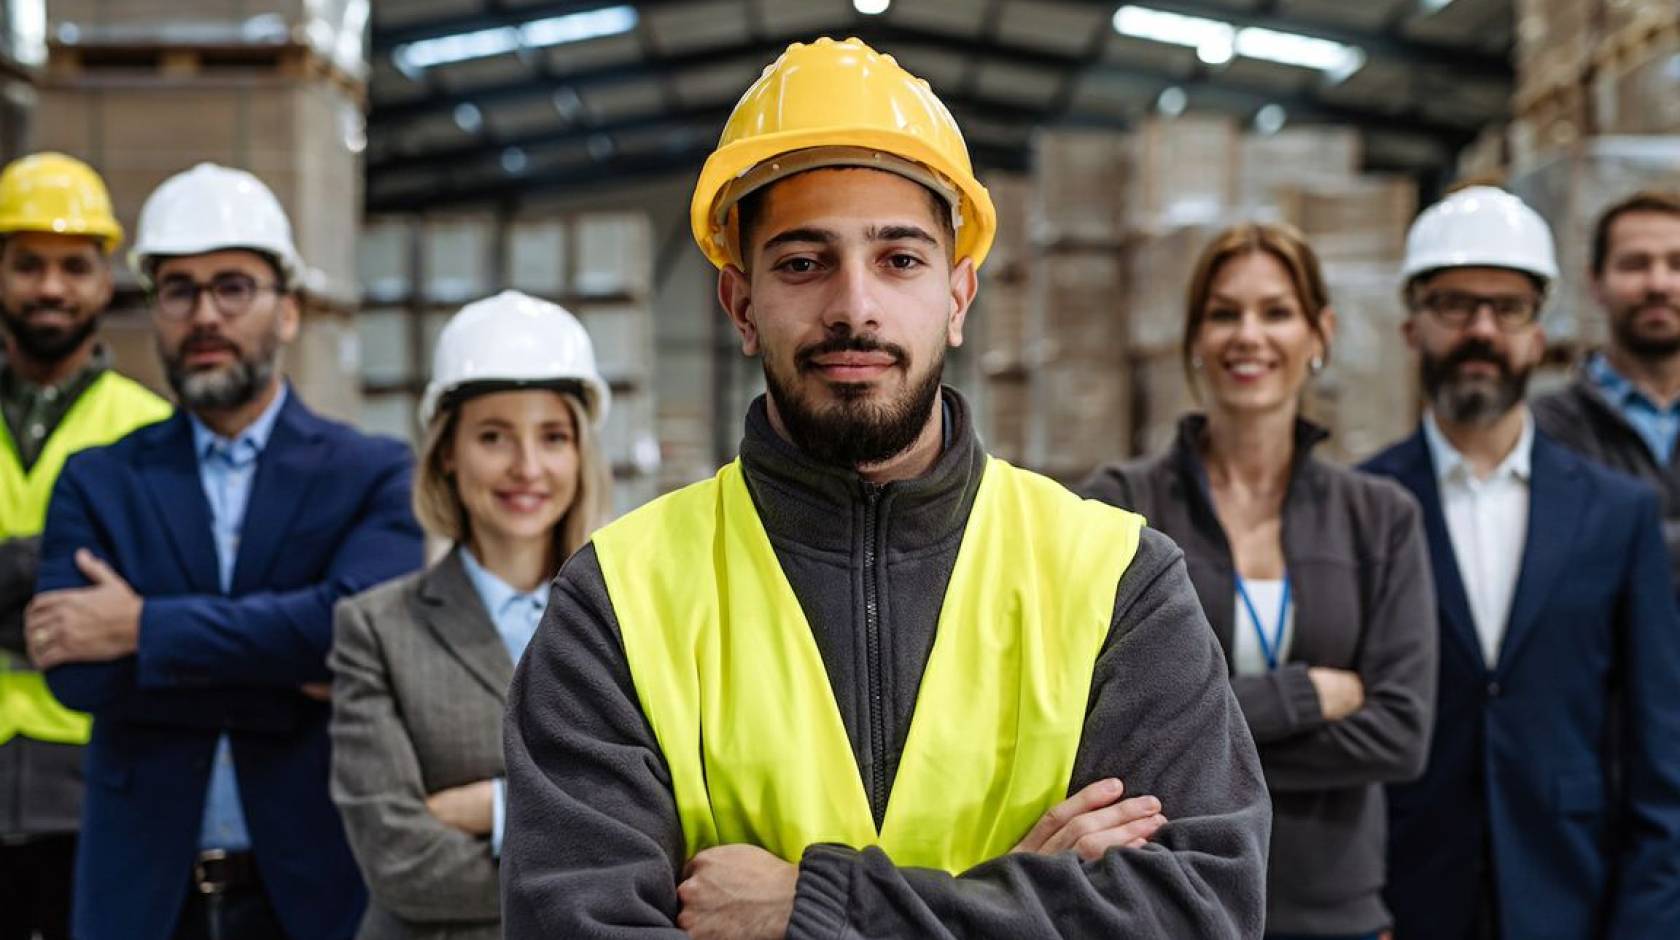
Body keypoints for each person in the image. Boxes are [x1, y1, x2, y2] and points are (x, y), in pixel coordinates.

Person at [502, 37, 1270, 940]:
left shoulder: (1116, 580)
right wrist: (1021, 895)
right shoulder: (619, 601)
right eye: (802, 263)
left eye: (899, 259)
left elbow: (1198, 912)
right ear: (740, 304)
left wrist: (816, 908)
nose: (854, 306)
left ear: (958, 292)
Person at [24, 163, 424, 940]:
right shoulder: (99, 479)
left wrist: (145, 630)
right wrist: (290, 662)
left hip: (313, 890)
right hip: (141, 893)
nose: (205, 314)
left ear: (289, 312)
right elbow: (75, 669)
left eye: (234, 287)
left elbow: (355, 637)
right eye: (179, 291)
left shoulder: (370, 471)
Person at [1083, 222, 1436, 940]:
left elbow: (1401, 734)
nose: (1249, 335)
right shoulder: (1120, 505)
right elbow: (1100, 730)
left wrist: (1190, 749)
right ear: (1194, 339)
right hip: (1162, 906)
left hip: (1334, 912)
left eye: (1276, 312)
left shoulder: (1379, 519)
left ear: (1320, 334)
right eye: (1223, 313)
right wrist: (1304, 695)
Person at [1361, 186, 1680, 939]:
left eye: (1507, 308)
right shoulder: (1358, 503)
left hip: (1574, 893)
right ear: (1412, 325)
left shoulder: (1614, 512)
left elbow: (1658, 758)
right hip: (1406, 899)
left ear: (1541, 332)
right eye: (1454, 305)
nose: (1481, 330)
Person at [329, 290, 613, 940]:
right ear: (448, 452)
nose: (528, 467)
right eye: (493, 436)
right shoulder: (375, 630)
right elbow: (399, 861)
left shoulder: (633, 620)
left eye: (553, 436)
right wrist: (600, 866)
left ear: (580, 454)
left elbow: (672, 826)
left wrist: (499, 808)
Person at [0, 153, 170, 940]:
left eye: (74, 266)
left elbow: (166, 596)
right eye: (27, 264)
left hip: (96, 782)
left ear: (107, 281)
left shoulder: (147, 430)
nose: (51, 288)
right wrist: (59, 583)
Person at [1532, 190, 1680, 590]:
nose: (1658, 284)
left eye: (1676, 264)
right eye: (1635, 264)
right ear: (1595, 282)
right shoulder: (1545, 430)